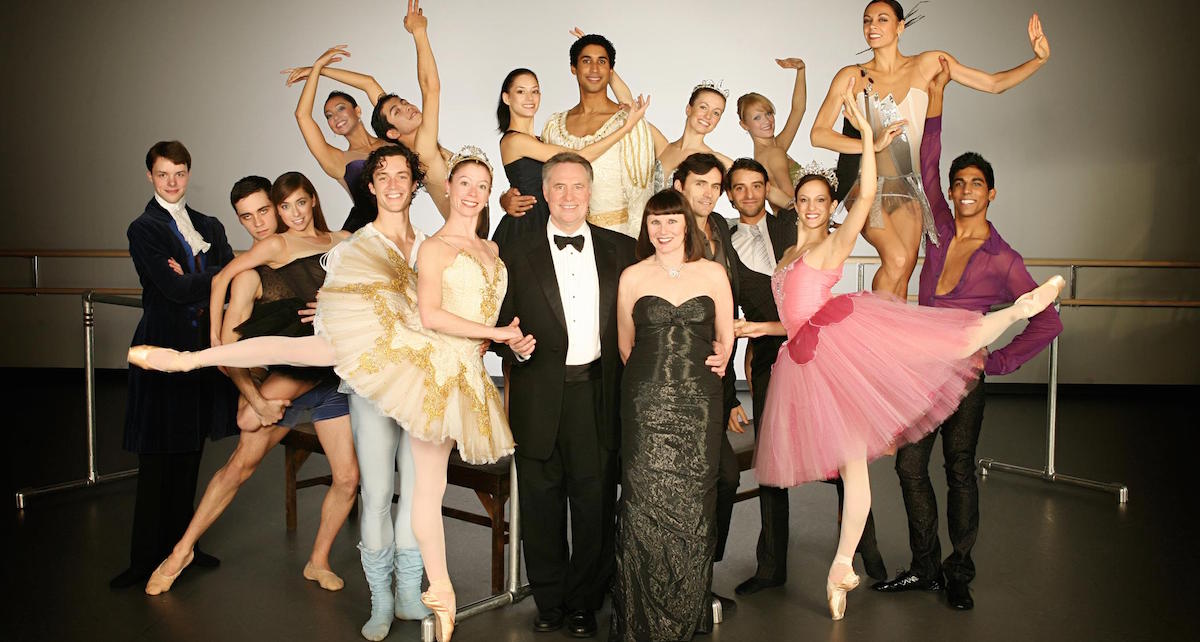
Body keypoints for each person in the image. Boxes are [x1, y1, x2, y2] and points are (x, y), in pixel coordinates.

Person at [129, 145, 522, 642]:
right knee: (376, 491)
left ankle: (407, 593)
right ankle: (381, 601)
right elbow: (329, 318)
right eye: (385, 176)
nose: (396, 185)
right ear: (371, 186)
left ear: (417, 184)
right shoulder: (354, 245)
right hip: (371, 374)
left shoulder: (429, 243)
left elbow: (445, 301)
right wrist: (330, 309)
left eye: (404, 176)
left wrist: (484, 332)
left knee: (416, 495)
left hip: (424, 376)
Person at [749, 80, 1064, 620]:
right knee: (862, 471)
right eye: (802, 200)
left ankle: (1016, 311)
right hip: (806, 359)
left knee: (954, 362)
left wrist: (872, 144)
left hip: (842, 346)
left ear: (829, 208)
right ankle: (844, 567)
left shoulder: (833, 242)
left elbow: (868, 197)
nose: (808, 207)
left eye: (819, 201)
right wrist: (752, 331)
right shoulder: (791, 248)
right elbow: (791, 313)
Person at [872, 58, 1063, 611]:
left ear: (992, 193)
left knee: (958, 471)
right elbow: (925, 164)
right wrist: (936, 97)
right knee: (909, 466)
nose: (963, 191)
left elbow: (1047, 318)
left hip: (965, 377)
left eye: (976, 184)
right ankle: (925, 565)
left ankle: (959, 570)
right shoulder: (938, 225)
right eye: (959, 184)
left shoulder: (1004, 259)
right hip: (922, 371)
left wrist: (997, 364)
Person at [141, 176, 359, 603]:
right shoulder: (252, 273)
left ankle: (318, 560)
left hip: (334, 373)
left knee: (348, 478)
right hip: (286, 378)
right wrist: (256, 397)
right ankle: (180, 553)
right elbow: (229, 351)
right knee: (239, 466)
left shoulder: (334, 241)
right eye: (249, 216)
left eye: (266, 211)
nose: (261, 222)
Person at [810, 1, 1051, 298]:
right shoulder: (852, 76)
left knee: (905, 266)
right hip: (867, 187)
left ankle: (891, 339)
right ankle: (874, 336)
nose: (872, 26)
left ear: (900, 27)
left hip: (909, 187)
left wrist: (1037, 60)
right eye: (867, 20)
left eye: (882, 20)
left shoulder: (929, 63)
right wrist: (870, 144)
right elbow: (818, 134)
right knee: (896, 258)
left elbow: (993, 84)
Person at [725, 159, 887, 595]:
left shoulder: (796, 227)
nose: (749, 194)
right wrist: (750, 338)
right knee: (772, 462)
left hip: (818, 354)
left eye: (756, 185)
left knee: (844, 459)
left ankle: (864, 550)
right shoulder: (722, 238)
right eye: (738, 188)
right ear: (729, 195)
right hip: (769, 357)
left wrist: (867, 141)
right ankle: (771, 565)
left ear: (771, 192)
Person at [491, 152, 636, 638]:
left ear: (590, 192)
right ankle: (549, 601)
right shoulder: (515, 251)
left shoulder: (623, 249)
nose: (569, 196)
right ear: (545, 193)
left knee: (594, 505)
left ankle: (583, 602)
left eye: (578, 187)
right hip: (537, 395)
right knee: (541, 504)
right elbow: (498, 326)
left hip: (597, 395)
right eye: (559, 187)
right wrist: (516, 350)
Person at [110, 140, 237, 590]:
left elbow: (231, 275)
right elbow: (173, 290)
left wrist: (196, 279)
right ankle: (143, 559)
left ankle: (186, 546)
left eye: (179, 173)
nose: (172, 182)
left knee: (190, 450)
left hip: (202, 348)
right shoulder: (142, 228)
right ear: (150, 175)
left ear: (188, 173)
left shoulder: (208, 223)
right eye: (163, 174)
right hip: (161, 348)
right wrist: (206, 279)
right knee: (157, 456)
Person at [610, 189, 734, 640]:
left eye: (670, 221)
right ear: (646, 228)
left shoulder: (714, 273)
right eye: (654, 222)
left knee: (694, 502)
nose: (662, 231)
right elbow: (627, 345)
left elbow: (725, 335)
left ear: (687, 225)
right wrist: (655, 383)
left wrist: (723, 357)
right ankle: (640, 618)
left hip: (700, 402)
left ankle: (687, 610)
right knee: (642, 501)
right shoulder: (632, 276)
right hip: (645, 399)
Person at [670, 153, 744, 616]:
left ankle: (700, 575)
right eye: (699, 183)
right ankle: (678, 582)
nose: (708, 192)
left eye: (715, 185)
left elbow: (728, 314)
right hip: (673, 379)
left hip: (715, 377)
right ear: (679, 184)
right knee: (683, 482)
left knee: (724, 477)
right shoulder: (664, 230)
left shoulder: (721, 229)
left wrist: (733, 392)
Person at [492, 67, 648, 249]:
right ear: (506, 98)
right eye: (521, 92)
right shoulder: (514, 140)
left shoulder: (541, 139)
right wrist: (625, 128)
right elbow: (579, 158)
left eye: (535, 91)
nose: (530, 98)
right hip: (527, 225)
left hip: (549, 221)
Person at [539, 33, 658, 237]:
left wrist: (635, 250)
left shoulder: (629, 123)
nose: (594, 69)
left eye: (601, 61)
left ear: (610, 70)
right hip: (563, 238)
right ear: (573, 68)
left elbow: (641, 196)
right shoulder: (553, 126)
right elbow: (543, 185)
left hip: (618, 239)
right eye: (586, 61)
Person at [284, 45, 387, 232]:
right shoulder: (338, 160)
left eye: (340, 108)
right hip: (360, 238)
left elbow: (369, 83)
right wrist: (316, 68)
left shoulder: (390, 139)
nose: (335, 117)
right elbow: (302, 115)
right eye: (328, 116)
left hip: (399, 233)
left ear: (357, 110)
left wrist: (320, 70)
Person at [369, 0, 454, 219]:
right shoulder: (423, 151)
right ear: (393, 133)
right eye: (397, 112)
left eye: (405, 102)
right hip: (465, 247)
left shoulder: (426, 147)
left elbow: (368, 83)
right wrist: (419, 32)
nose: (407, 108)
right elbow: (430, 89)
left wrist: (318, 70)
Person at [735, 57, 808, 210]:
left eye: (768, 113)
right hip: (795, 227)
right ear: (744, 125)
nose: (767, 121)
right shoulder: (774, 153)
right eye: (757, 118)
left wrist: (800, 71)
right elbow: (791, 202)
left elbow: (798, 110)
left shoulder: (773, 148)